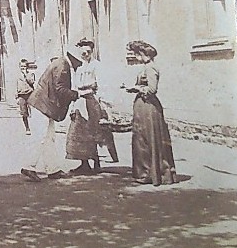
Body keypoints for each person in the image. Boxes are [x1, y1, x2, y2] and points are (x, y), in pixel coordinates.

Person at [122, 40, 176, 185]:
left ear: (142, 54)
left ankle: (151, 174)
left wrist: (135, 89)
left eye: (135, 53)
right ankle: (145, 172)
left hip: (149, 107)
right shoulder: (146, 67)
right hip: (143, 107)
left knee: (147, 139)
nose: (134, 56)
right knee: (142, 139)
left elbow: (152, 89)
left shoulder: (151, 68)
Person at [21, 51, 79, 182]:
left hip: (44, 105)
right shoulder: (63, 66)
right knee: (40, 137)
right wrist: (77, 94)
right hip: (42, 105)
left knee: (49, 138)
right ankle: (28, 166)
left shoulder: (59, 63)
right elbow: (59, 89)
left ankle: (52, 169)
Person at [66, 39, 117, 174]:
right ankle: (84, 163)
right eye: (83, 52)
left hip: (92, 103)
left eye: (88, 52)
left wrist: (103, 104)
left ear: (92, 51)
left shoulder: (96, 66)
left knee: (92, 133)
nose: (85, 54)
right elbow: (75, 87)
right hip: (80, 102)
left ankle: (96, 163)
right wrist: (73, 105)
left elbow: (100, 86)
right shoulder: (80, 68)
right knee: (79, 133)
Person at [16, 59, 36, 136]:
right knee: (24, 112)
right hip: (21, 95)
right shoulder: (18, 76)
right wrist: (17, 96)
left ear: (27, 67)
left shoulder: (30, 74)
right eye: (21, 66)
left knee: (32, 111)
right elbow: (16, 86)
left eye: (24, 66)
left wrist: (26, 75)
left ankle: (34, 126)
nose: (23, 68)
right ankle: (27, 128)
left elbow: (31, 81)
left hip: (30, 94)